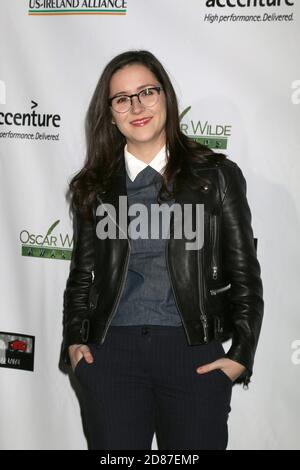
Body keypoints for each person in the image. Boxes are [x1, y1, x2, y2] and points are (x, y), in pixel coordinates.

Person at [60, 50, 264, 450]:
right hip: (111, 357)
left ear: (166, 96)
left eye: (147, 92)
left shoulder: (217, 176)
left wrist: (242, 351)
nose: (136, 106)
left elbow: (244, 272)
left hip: (192, 356)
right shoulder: (94, 185)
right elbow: (82, 274)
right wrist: (74, 340)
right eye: (122, 98)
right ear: (111, 112)